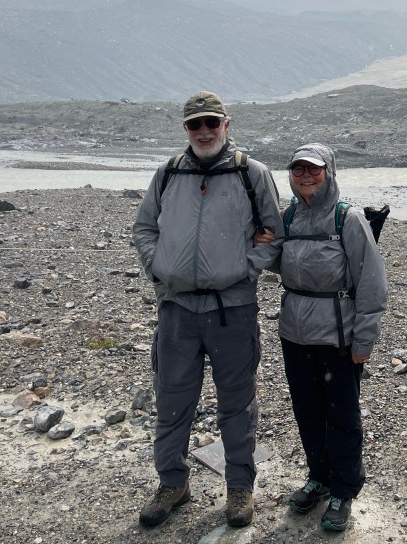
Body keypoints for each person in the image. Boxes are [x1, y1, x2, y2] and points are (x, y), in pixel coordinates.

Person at [132, 91, 282, 529]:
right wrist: (158, 270)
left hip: (232, 310)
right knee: (172, 400)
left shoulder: (251, 173)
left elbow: (274, 233)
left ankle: (240, 487)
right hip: (177, 309)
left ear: (226, 125)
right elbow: (144, 228)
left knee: (237, 403)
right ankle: (172, 483)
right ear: (185, 129)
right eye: (195, 124)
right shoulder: (168, 173)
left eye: (211, 122)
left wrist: (244, 270)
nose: (203, 131)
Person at [263, 143, 388, 532]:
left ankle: (343, 490)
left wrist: (364, 341)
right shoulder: (288, 216)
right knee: (307, 410)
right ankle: (318, 477)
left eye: (313, 169)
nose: (306, 176)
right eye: (298, 169)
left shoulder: (348, 219)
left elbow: (372, 283)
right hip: (294, 333)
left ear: (328, 172)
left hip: (338, 336)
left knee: (342, 415)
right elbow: (274, 260)